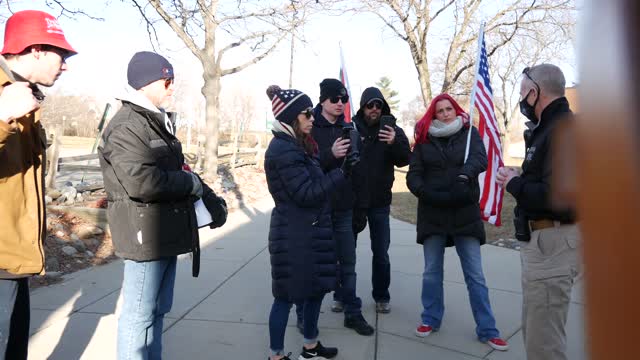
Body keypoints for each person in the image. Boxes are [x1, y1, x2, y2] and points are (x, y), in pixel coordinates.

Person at [98, 51, 227, 359]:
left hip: (163, 233)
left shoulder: (153, 122)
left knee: (156, 313)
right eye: (167, 80)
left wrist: (200, 191)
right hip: (144, 236)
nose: (172, 87)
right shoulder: (128, 125)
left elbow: (174, 170)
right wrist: (189, 184)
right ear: (146, 82)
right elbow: (141, 182)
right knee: (138, 316)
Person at [0, 10, 76, 359]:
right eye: (61, 55)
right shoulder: (7, 98)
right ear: (36, 50)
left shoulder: (25, 99)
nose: (65, 65)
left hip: (14, 259)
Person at [406, 93, 509, 351]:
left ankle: (488, 329)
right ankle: (430, 318)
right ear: (434, 114)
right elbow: (414, 175)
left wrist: (465, 176)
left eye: (448, 109)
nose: (445, 114)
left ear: (455, 109)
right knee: (431, 272)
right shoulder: (423, 141)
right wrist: (424, 192)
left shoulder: (469, 133)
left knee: (475, 275)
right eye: (439, 111)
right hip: (433, 212)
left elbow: (479, 158)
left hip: (464, 212)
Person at [264, 85, 357, 360]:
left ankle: (310, 344)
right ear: (293, 117)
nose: (312, 117)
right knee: (285, 297)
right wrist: (342, 173)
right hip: (294, 236)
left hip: (310, 231)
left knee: (315, 291)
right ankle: (276, 355)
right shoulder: (282, 150)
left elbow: (314, 183)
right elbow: (305, 193)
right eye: (307, 113)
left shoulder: (300, 145)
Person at [497, 64, 580, 360]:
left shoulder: (563, 129)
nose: (521, 100)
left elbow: (561, 198)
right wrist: (519, 176)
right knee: (536, 333)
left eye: (522, 93)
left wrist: (515, 184)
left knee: (544, 344)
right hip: (544, 244)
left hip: (553, 245)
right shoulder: (548, 129)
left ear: (535, 92)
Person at [307, 78, 374, 336]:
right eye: (334, 99)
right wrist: (329, 154)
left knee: (348, 264)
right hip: (318, 209)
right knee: (315, 265)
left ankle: (352, 313)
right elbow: (305, 169)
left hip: (345, 209)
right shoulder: (310, 128)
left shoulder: (351, 129)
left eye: (343, 100)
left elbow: (359, 173)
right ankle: (306, 316)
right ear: (323, 100)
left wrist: (361, 209)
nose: (339, 104)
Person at [351, 87, 410, 313]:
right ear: (363, 107)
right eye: (370, 105)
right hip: (355, 201)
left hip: (379, 202)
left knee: (381, 253)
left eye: (378, 105)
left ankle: (381, 297)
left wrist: (393, 141)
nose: (374, 109)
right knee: (347, 252)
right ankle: (342, 294)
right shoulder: (352, 128)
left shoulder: (393, 129)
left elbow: (405, 160)